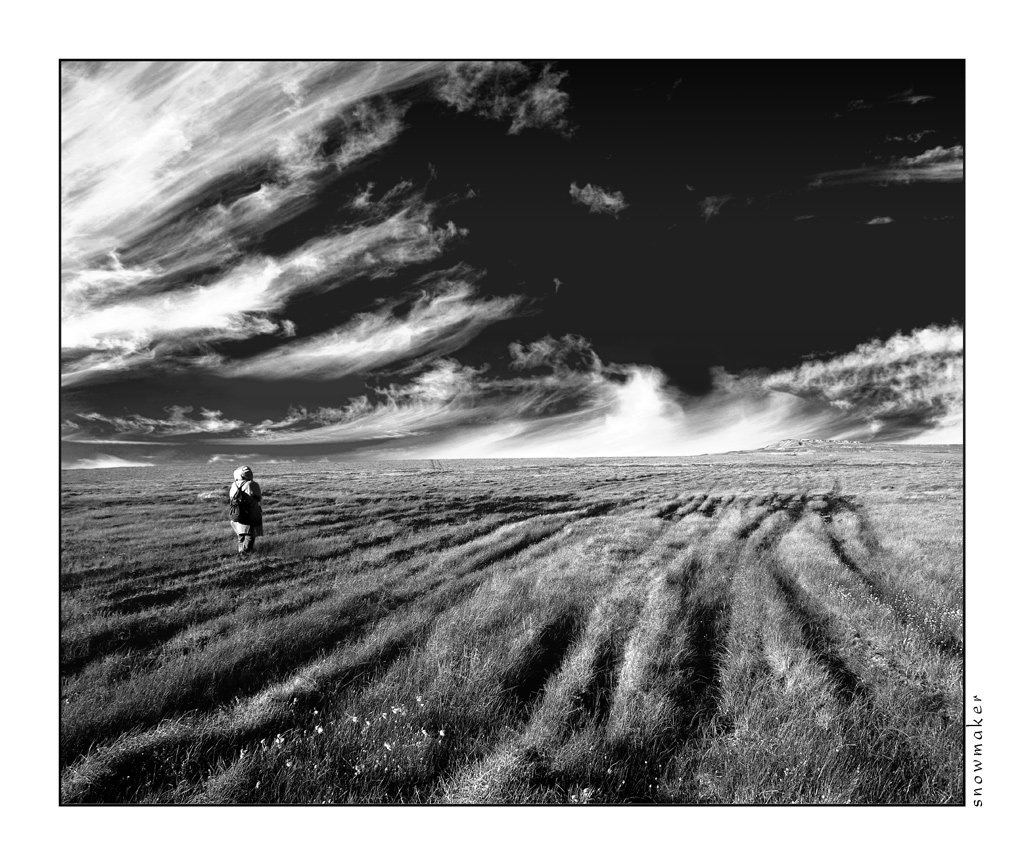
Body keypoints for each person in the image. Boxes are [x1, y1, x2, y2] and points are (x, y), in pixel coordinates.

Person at [228, 465, 263, 555]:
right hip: (250, 513)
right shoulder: (252, 484)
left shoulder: (234, 484)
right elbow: (258, 498)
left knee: (241, 534)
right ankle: (246, 554)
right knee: (250, 535)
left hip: (236, 513)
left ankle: (241, 551)